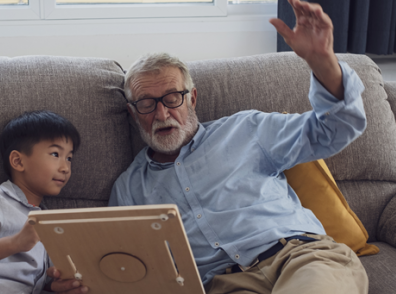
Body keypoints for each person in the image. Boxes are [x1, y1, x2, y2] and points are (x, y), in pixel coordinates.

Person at [47, 0, 368, 293]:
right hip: (224, 284)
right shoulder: (129, 189)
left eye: (172, 98)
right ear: (132, 114)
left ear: (193, 99)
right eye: (146, 103)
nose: (162, 113)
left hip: (300, 257)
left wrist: (322, 61)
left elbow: (335, 129)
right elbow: (122, 269)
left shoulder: (247, 129)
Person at [0, 110, 81, 294]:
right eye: (55, 154)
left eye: (69, 158)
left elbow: (36, 277)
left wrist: (53, 285)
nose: (65, 167)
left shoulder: (51, 223)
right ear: (18, 161)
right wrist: (16, 243)